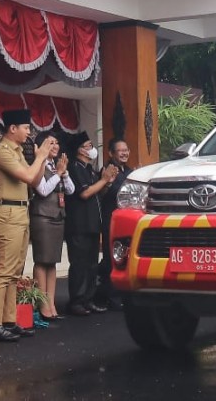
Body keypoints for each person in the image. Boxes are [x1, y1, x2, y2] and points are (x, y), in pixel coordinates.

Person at [0, 109, 54, 342]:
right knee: (5, 270)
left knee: (15, 272)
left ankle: (9, 321)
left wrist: (42, 159)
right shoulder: (2, 151)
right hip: (8, 211)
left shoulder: (16, 151)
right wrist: (39, 157)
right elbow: (26, 176)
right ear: (12, 128)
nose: (28, 132)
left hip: (21, 210)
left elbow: (35, 180)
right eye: (26, 127)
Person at [65, 133, 119, 317]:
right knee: (79, 264)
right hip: (79, 224)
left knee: (91, 264)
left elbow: (97, 192)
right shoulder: (74, 167)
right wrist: (103, 180)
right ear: (80, 149)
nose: (92, 148)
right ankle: (77, 301)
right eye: (88, 145)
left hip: (93, 223)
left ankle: (88, 299)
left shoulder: (89, 168)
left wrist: (107, 182)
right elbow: (85, 193)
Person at [29, 132, 73, 321]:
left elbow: (71, 190)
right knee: (42, 260)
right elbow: (43, 190)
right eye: (50, 143)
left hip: (58, 216)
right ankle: (43, 305)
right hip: (43, 217)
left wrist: (64, 173)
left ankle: (52, 303)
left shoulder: (57, 166)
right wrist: (58, 174)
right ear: (41, 148)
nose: (55, 146)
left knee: (53, 261)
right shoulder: (37, 165)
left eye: (56, 143)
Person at [95, 138, 131, 310]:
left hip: (128, 222)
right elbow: (101, 193)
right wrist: (107, 182)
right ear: (111, 153)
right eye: (120, 150)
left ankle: (122, 294)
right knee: (112, 259)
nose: (124, 153)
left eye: (126, 150)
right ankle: (111, 297)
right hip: (112, 221)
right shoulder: (107, 170)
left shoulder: (129, 171)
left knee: (126, 257)